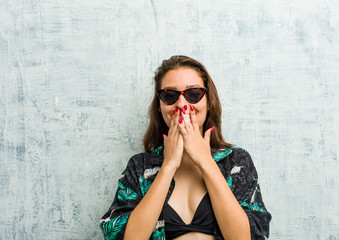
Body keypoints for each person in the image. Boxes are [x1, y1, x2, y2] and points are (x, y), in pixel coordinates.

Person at [100, 55, 271, 240]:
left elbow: (248, 237)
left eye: (193, 94)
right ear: (159, 105)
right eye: (169, 95)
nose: (182, 104)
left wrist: (205, 161)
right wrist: (168, 166)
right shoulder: (139, 166)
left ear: (208, 101)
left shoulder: (236, 161)